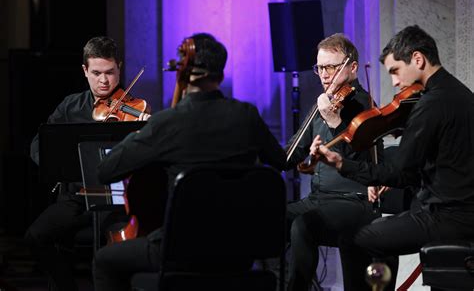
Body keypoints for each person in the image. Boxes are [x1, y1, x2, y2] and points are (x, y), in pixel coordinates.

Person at [92, 32, 287, 291]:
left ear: (184, 72)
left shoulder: (167, 123)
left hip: (180, 250)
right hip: (240, 249)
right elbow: (281, 161)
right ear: (219, 74)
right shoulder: (247, 116)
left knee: (104, 260)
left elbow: (105, 171)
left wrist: (143, 134)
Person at [311, 25, 474, 290]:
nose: (395, 83)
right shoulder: (459, 93)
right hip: (463, 210)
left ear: (418, 60)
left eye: (396, 71)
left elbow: (401, 174)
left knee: (355, 238)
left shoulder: (431, 104)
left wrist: (343, 164)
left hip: (445, 217)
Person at [25, 36, 150, 291]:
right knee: (35, 237)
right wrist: (55, 166)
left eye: (110, 72)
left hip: (117, 199)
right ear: (85, 71)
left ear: (119, 68)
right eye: (96, 73)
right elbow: (39, 144)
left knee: (117, 247)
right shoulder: (70, 106)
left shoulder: (134, 109)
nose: (104, 81)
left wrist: (148, 127)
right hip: (77, 196)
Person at [285, 33, 383, 291]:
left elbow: (361, 163)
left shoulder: (365, 107)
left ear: (352, 67)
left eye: (331, 67)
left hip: (355, 201)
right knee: (270, 219)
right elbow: (292, 153)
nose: (325, 74)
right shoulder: (324, 103)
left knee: (302, 225)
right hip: (320, 199)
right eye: (320, 68)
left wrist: (335, 123)